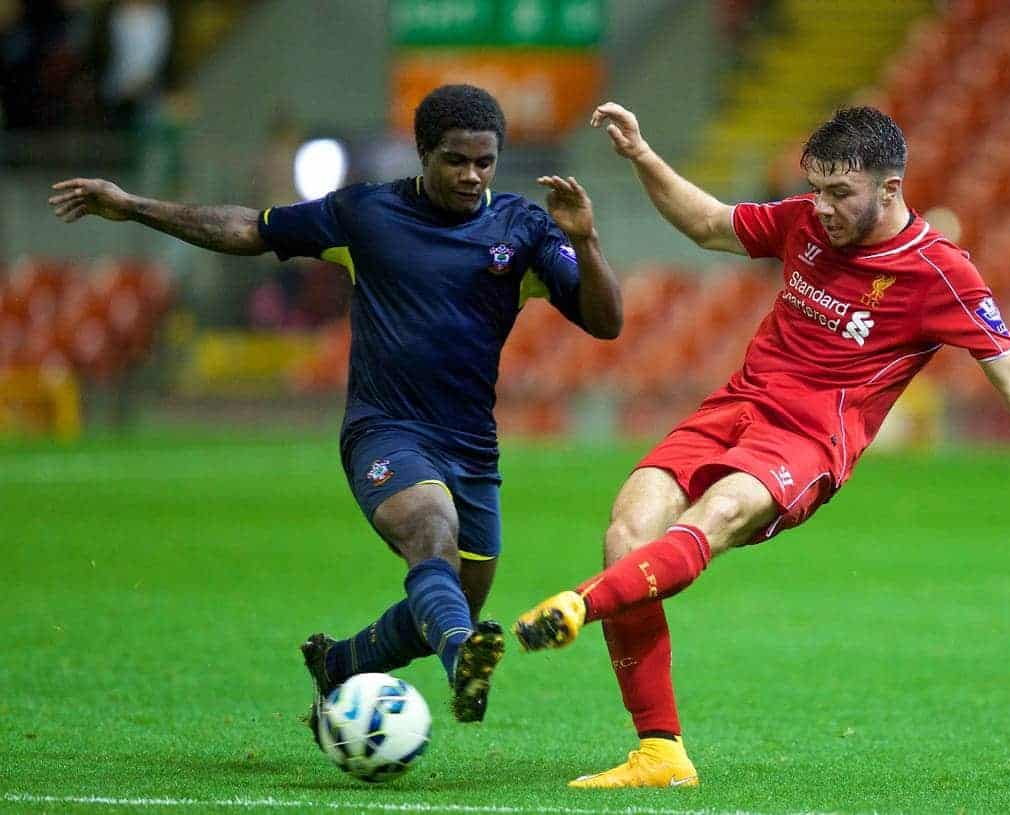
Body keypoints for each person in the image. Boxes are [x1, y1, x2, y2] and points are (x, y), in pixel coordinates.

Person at [512, 102, 1010, 788]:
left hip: (808, 440)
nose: (821, 208)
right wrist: (641, 154)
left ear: (891, 188)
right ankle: (660, 753)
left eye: (839, 193)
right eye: (814, 188)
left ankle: (578, 603)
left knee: (719, 514)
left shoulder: (939, 273)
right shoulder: (807, 223)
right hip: (735, 406)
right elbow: (707, 223)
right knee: (625, 532)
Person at [49, 84, 624, 728]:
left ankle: (340, 664)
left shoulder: (522, 229)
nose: (471, 175)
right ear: (423, 154)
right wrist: (133, 207)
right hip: (385, 431)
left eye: (484, 162)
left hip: (472, 447)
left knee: (447, 600)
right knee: (432, 537)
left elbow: (605, 323)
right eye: (455, 160)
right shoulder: (366, 215)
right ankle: (463, 658)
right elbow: (248, 228)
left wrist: (588, 240)